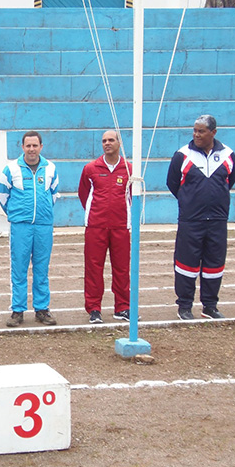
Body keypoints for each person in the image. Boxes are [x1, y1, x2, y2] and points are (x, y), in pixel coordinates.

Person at [166, 115, 235, 320]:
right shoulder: (182, 155)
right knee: (186, 263)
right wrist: (190, 202)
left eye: (201, 131)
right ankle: (185, 306)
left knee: (214, 264)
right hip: (191, 220)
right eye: (195, 131)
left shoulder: (228, 155)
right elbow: (172, 183)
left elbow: (230, 180)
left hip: (217, 220)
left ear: (213, 133)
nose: (196, 134)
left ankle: (210, 305)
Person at [0, 131, 59, 328]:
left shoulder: (50, 168)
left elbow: (54, 194)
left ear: (41, 146)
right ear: (22, 147)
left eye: (35, 145)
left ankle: (42, 309)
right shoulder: (11, 169)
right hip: (21, 226)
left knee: (42, 268)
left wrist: (43, 213)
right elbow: (2, 196)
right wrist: (16, 214)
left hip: (43, 226)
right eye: (28, 146)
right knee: (19, 268)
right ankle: (18, 310)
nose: (31, 149)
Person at [78, 129, 132, 323]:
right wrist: (96, 214)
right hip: (95, 227)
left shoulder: (129, 169)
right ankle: (94, 308)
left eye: (111, 140)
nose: (107, 143)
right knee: (93, 268)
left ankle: (123, 307)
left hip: (120, 227)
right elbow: (84, 194)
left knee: (122, 268)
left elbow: (132, 196)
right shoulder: (91, 168)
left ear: (119, 143)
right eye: (104, 141)